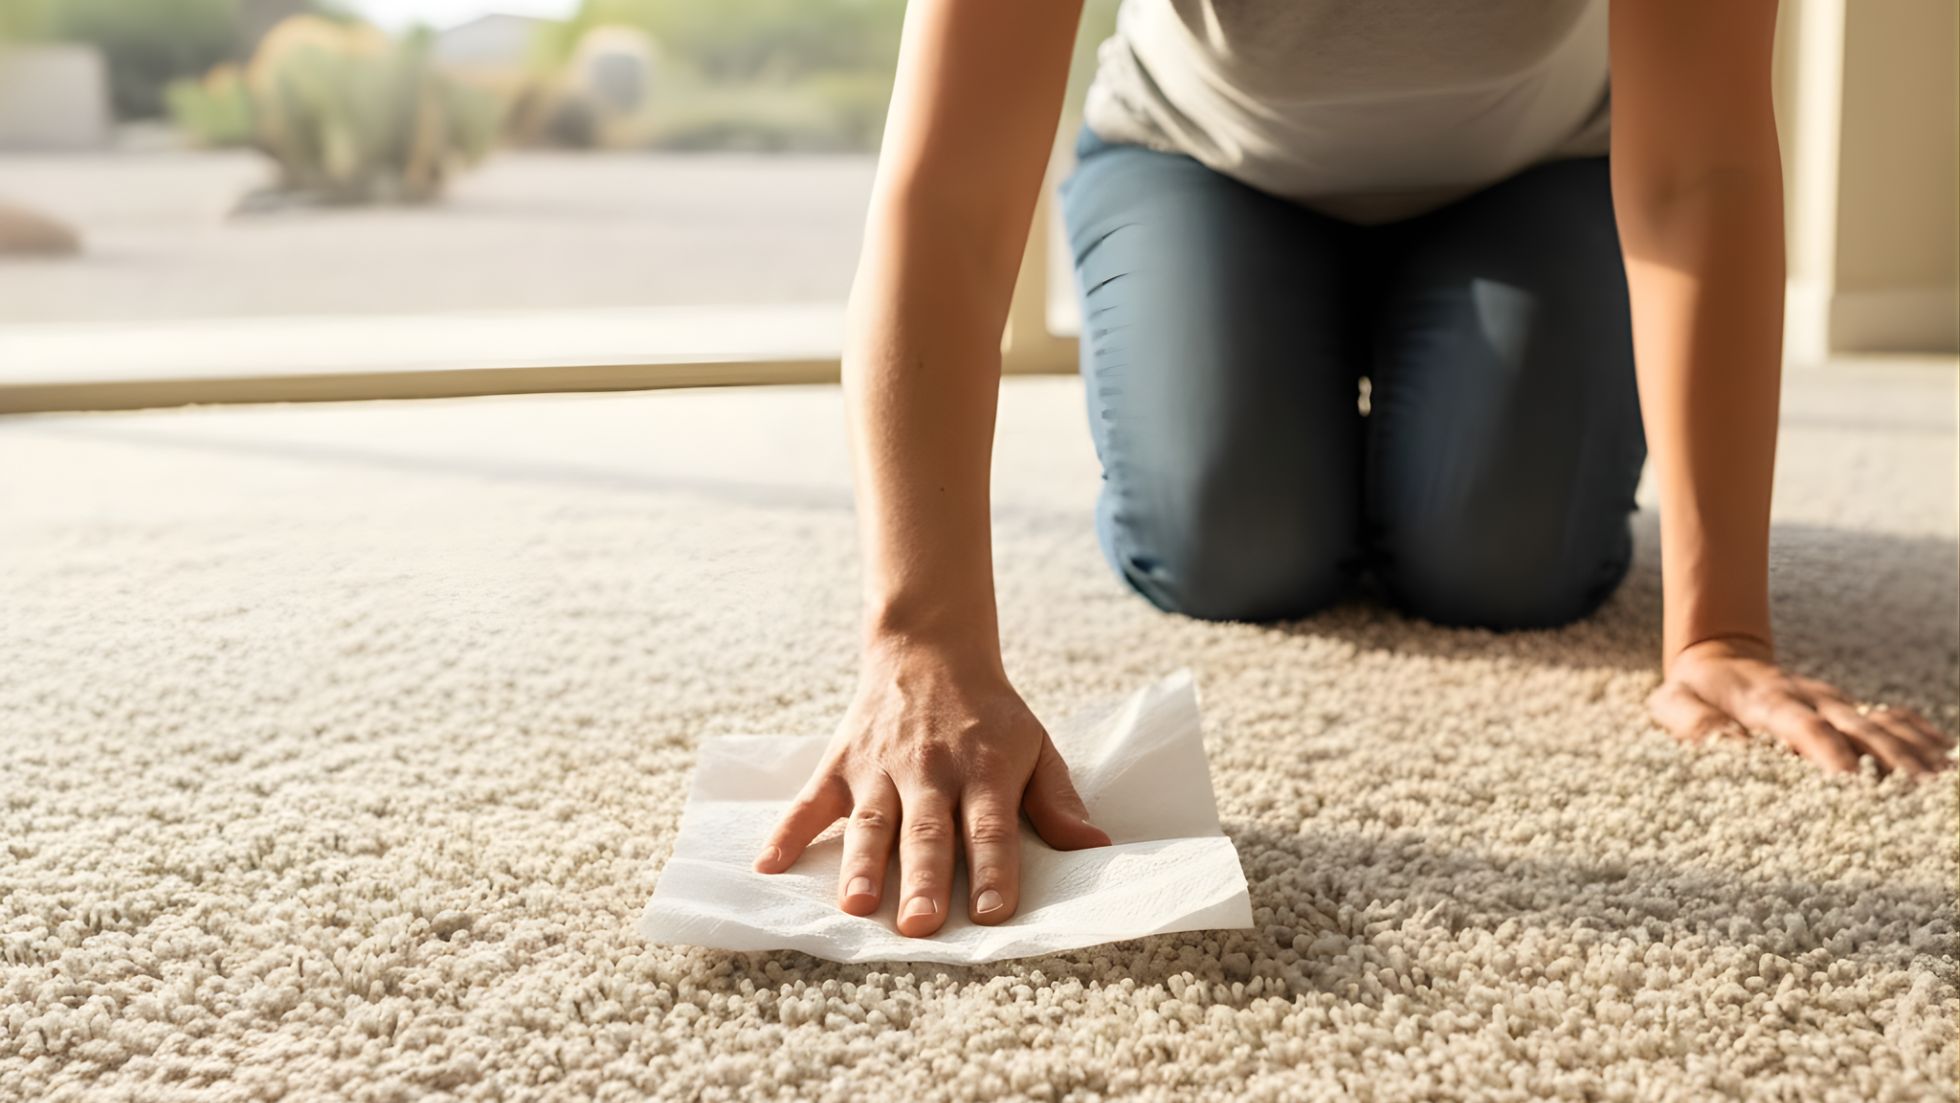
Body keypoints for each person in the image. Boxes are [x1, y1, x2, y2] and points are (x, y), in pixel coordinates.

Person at [750, 0, 1956, 939]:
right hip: (1204, 164)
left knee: (1507, 559)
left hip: (1537, 174)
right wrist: (922, 639)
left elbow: (1703, 170)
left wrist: (1718, 635)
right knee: (1234, 541)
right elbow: (947, 195)